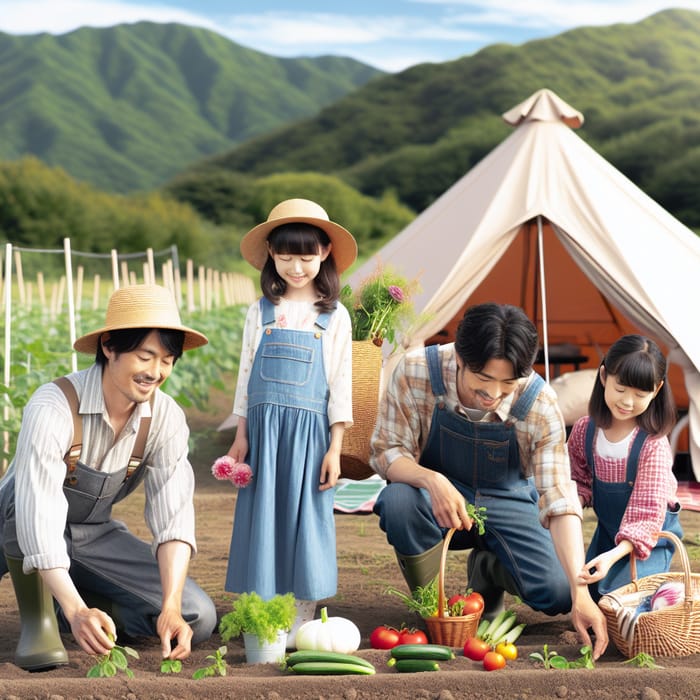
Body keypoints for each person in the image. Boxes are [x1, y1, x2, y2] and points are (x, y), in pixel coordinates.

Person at [370, 302, 608, 659]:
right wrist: (432, 480)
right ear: (460, 360)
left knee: (558, 592)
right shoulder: (416, 371)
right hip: (437, 503)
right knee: (399, 501)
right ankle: (431, 609)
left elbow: (559, 497)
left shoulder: (539, 402)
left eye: (507, 383)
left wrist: (581, 593)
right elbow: (386, 452)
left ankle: (489, 570)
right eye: (483, 380)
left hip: (508, 499)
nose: (494, 393)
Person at [0, 284, 217, 671]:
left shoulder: (165, 418)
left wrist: (169, 607)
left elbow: (174, 516)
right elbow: (38, 511)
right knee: (22, 509)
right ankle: (44, 617)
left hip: (89, 533)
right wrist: (75, 608)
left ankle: (80, 609)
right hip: (14, 523)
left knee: (198, 614)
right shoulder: (53, 406)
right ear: (109, 347)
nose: (156, 372)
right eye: (145, 356)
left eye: (167, 360)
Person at [225, 198, 357, 646]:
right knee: (264, 516)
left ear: (324, 253)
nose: (296, 266)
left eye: (306, 255)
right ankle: (263, 617)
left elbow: (340, 384)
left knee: (305, 519)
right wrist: (241, 435)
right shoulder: (260, 311)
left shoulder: (333, 316)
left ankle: (300, 620)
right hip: (263, 434)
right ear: (271, 256)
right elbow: (246, 374)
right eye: (286, 256)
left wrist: (335, 449)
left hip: (309, 436)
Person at [568, 334, 682, 600]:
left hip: (649, 540)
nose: (627, 402)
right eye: (620, 389)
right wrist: (574, 501)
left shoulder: (653, 445)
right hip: (608, 534)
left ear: (656, 390)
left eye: (640, 394)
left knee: (618, 598)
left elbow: (645, 516)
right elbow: (580, 479)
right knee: (577, 591)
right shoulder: (585, 430)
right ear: (604, 377)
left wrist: (611, 558)